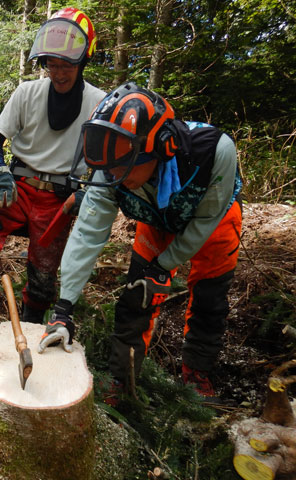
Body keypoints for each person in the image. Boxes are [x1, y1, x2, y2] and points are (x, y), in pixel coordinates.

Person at [40, 82, 243, 402]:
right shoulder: (110, 174)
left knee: (209, 298)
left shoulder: (215, 151)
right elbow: (88, 232)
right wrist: (63, 309)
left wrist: (164, 266)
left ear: (159, 150)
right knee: (137, 295)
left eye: (122, 166)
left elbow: (204, 222)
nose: (112, 173)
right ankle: (123, 379)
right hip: (156, 218)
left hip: (212, 217)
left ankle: (197, 372)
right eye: (107, 167)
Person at [0, 8, 106, 358]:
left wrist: (87, 191)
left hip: (59, 196)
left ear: (83, 61)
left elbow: (108, 158)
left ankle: (32, 326)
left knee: (44, 276)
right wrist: (1, 170)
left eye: (66, 65)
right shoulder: (27, 93)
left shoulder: (98, 102)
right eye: (52, 64)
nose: (59, 73)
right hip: (17, 187)